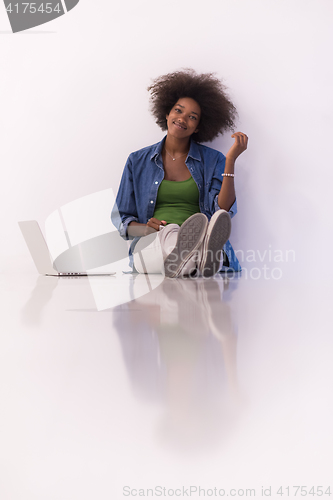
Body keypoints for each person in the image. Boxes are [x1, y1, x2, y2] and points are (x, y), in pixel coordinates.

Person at [111, 69, 248, 278]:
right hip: (152, 244)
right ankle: (201, 258)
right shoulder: (137, 161)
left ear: (197, 128)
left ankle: (192, 256)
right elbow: (122, 222)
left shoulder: (213, 160)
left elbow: (223, 210)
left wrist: (230, 161)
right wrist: (147, 229)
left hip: (198, 236)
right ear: (167, 114)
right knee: (170, 233)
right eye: (178, 111)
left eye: (192, 117)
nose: (183, 119)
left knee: (206, 225)